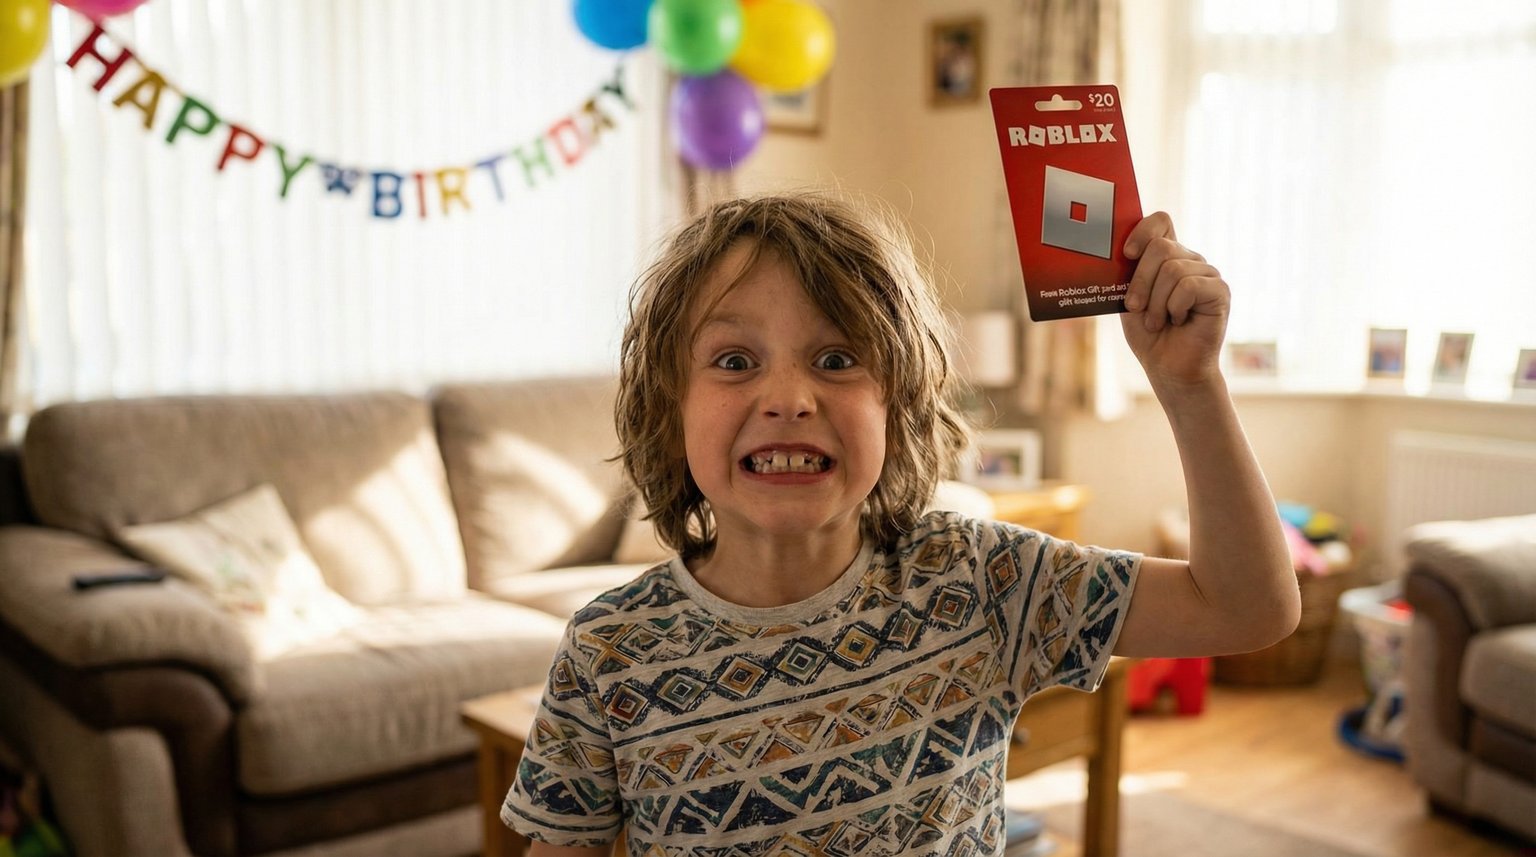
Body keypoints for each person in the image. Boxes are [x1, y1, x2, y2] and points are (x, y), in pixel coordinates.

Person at [502, 193, 1299, 855]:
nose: (789, 397)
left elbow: (1248, 605)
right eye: (735, 361)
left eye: (838, 358)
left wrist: (1191, 386)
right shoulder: (609, 649)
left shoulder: (980, 580)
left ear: (899, 402)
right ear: (670, 406)